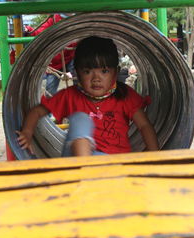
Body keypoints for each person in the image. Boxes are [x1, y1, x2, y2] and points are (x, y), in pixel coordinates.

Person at [17, 36, 159, 157]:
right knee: (81, 119)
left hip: (113, 162)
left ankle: (89, 173)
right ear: (77, 74)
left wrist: (155, 155)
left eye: (104, 71)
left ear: (115, 73)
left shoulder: (125, 96)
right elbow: (37, 112)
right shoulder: (70, 95)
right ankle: (85, 166)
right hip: (75, 160)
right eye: (87, 71)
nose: (96, 78)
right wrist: (28, 133)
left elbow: (144, 125)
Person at [24, 13, 76, 96]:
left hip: (71, 57)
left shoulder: (77, 19)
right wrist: (29, 30)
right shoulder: (54, 19)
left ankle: (82, 102)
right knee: (50, 89)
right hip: (55, 61)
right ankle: (49, 106)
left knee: (80, 79)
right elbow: (40, 32)